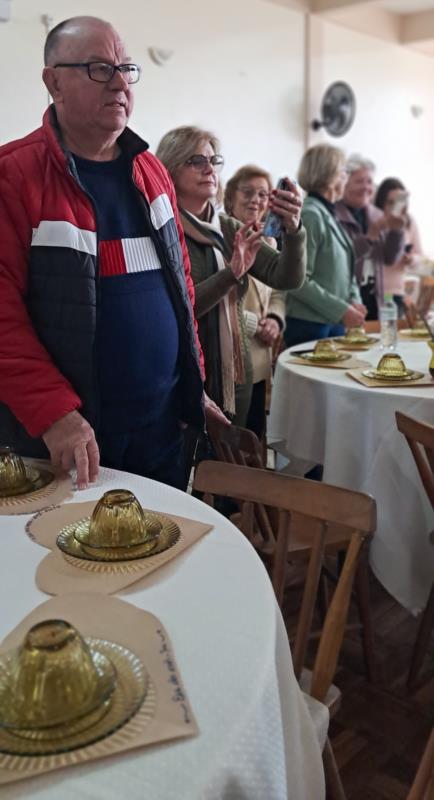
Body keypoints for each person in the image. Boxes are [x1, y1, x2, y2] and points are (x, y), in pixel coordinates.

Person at [0, 16, 226, 492]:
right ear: (53, 82)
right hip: (68, 444)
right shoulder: (14, 176)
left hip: (162, 431)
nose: (120, 82)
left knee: (166, 557)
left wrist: (193, 385)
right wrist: (54, 413)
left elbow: (180, 287)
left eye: (125, 68)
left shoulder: (151, 172)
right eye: (99, 68)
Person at [156, 127, 306, 427]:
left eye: (213, 160)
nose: (209, 169)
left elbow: (286, 277)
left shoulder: (227, 227)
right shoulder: (162, 229)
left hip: (235, 378)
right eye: (196, 161)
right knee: (194, 470)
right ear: (170, 168)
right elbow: (178, 308)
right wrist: (231, 274)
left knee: (234, 467)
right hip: (184, 375)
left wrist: (294, 230)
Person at [224, 164, 285, 440]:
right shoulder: (222, 238)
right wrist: (253, 325)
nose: (256, 200)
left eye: (263, 194)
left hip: (262, 356)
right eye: (247, 192)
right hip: (233, 357)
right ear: (230, 198)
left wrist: (274, 319)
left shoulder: (270, 241)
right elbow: (220, 298)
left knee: (256, 437)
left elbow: (279, 291)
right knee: (232, 441)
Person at [284, 144, 366, 347]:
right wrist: (342, 310)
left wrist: (354, 300)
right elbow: (298, 281)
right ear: (330, 175)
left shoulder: (327, 212)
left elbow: (346, 270)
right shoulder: (311, 214)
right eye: (343, 171)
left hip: (330, 322)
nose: (346, 176)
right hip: (309, 325)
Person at [335, 154, 406, 320]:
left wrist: (396, 231)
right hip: (345, 300)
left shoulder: (376, 214)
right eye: (359, 181)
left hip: (375, 297)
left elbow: (390, 258)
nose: (366, 187)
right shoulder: (333, 214)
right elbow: (342, 257)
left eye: (369, 182)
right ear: (344, 183)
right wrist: (371, 236)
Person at [374, 177, 423, 315]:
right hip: (374, 292)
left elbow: (420, 256)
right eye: (390, 202)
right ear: (381, 202)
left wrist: (411, 259)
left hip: (397, 292)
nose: (395, 207)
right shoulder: (374, 220)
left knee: (393, 332)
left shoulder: (409, 222)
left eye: (399, 202)